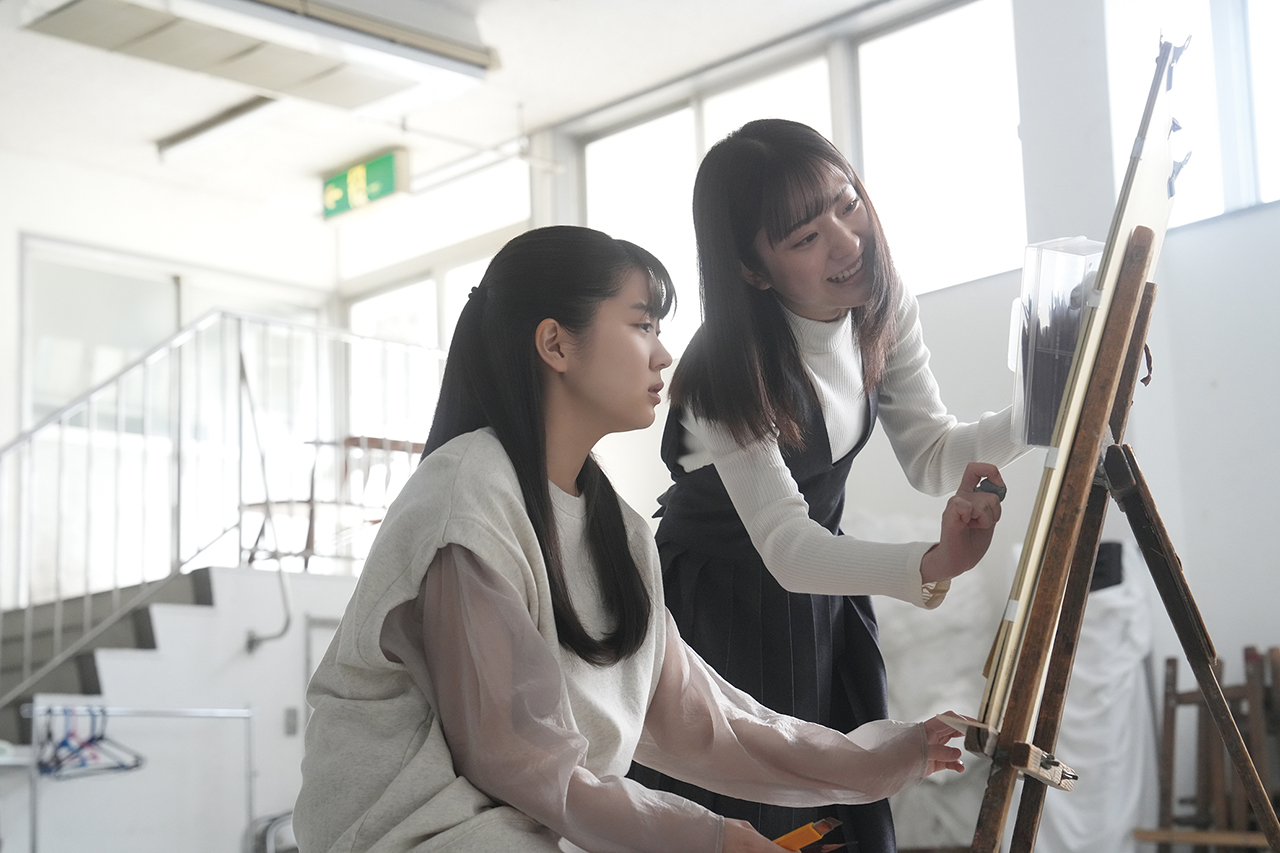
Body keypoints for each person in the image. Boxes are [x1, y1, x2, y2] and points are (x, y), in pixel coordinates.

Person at [294, 225, 967, 853]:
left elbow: (705, 720)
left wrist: (881, 757)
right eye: (642, 324)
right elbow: (516, 758)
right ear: (556, 344)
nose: (664, 352)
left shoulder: (616, 525)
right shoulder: (468, 494)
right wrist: (714, 838)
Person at [627, 120, 1027, 851]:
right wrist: (928, 565)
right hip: (723, 610)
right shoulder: (725, 370)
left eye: (848, 204)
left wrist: (1048, 404)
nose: (848, 243)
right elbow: (785, 544)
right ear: (754, 269)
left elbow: (934, 452)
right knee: (762, 820)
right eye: (805, 238)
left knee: (853, 815)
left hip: (824, 597)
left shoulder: (878, 302)